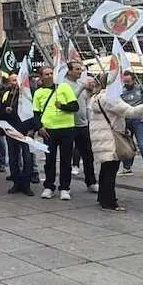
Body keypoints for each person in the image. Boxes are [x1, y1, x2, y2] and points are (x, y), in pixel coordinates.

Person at [87, 74, 143, 211]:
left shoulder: (96, 97)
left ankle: (103, 197)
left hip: (102, 138)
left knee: (106, 169)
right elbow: (131, 111)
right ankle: (109, 202)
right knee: (110, 171)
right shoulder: (110, 98)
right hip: (111, 138)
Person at [33, 63, 81, 200]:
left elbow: (74, 106)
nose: (49, 76)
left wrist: (62, 106)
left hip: (66, 129)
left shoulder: (64, 87)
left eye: (50, 73)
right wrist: (39, 127)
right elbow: (36, 113)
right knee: (50, 160)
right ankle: (49, 186)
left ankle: (65, 188)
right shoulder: (38, 93)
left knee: (66, 160)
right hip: (49, 131)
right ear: (41, 77)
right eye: (46, 74)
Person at [0, 73, 35, 195]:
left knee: (27, 159)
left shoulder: (27, 95)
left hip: (25, 131)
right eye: (14, 80)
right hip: (11, 131)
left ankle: (26, 184)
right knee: (13, 158)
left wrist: (32, 129)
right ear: (10, 82)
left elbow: (33, 113)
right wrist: (5, 111)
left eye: (18, 80)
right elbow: (0, 112)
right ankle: (16, 182)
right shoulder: (6, 95)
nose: (16, 82)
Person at [119, 71, 143, 179]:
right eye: (125, 81)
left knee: (142, 144)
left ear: (134, 80)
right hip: (126, 120)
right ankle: (127, 167)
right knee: (127, 146)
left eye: (128, 81)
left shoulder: (142, 89)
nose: (126, 83)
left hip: (139, 121)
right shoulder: (121, 91)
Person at [64, 67, 97, 193]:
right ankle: (65, 186)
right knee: (66, 156)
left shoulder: (79, 83)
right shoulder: (64, 84)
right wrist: (83, 87)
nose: (80, 71)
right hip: (69, 124)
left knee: (88, 155)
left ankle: (91, 181)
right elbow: (71, 98)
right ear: (69, 71)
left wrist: (90, 90)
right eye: (77, 69)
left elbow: (85, 98)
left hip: (83, 124)